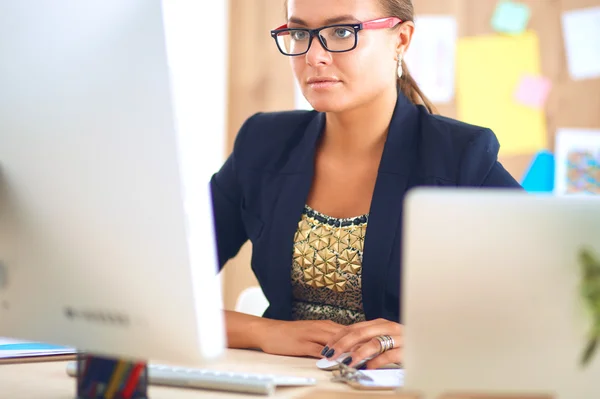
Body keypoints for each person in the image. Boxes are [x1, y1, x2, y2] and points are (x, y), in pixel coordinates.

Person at [210, 0, 522, 370]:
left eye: (342, 32)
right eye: (299, 34)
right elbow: (155, 292)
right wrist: (264, 331)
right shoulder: (263, 143)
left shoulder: (459, 158)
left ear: (401, 40)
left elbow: (562, 302)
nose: (314, 56)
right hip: (284, 383)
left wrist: (435, 340)